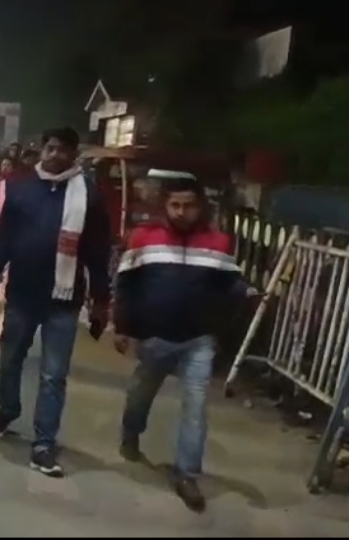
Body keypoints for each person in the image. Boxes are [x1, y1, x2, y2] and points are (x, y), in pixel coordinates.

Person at [0, 126, 112, 478]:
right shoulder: (22, 188)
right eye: (50, 148)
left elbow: (98, 252)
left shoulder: (89, 196)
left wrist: (101, 299)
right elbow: (4, 239)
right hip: (22, 293)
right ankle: (8, 409)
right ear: (42, 149)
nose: (54, 155)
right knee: (9, 360)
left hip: (63, 301)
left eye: (62, 150)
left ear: (73, 155)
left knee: (54, 375)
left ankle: (43, 443)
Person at [113, 177, 255, 512]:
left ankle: (187, 474)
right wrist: (122, 327)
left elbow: (229, 283)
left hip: (198, 340)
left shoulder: (218, 243)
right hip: (154, 338)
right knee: (140, 396)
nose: (181, 212)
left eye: (188, 205)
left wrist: (246, 293)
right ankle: (131, 433)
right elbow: (126, 285)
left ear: (200, 207)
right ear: (165, 205)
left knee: (196, 406)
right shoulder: (144, 238)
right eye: (175, 205)